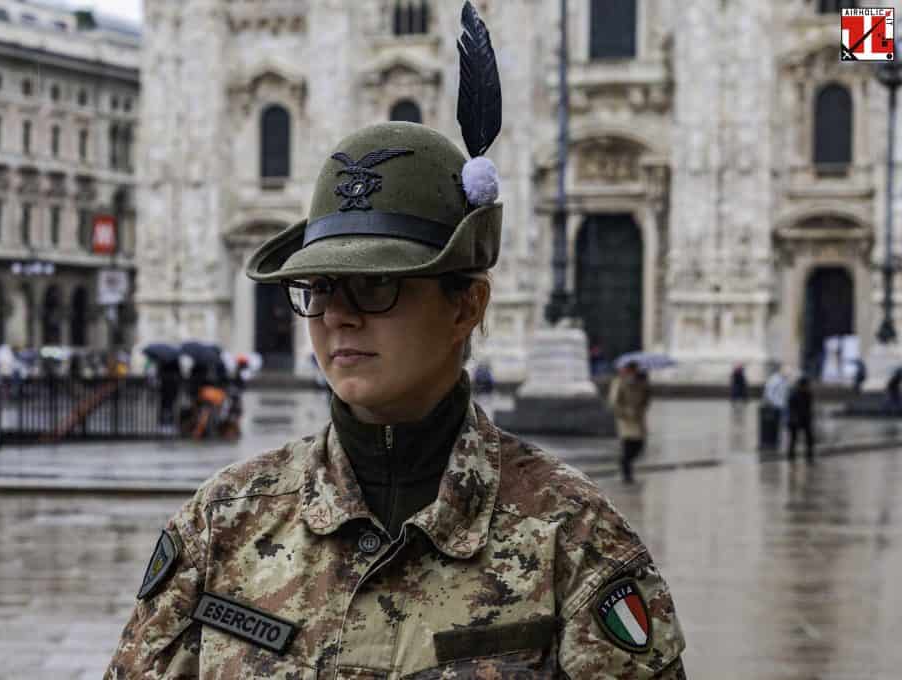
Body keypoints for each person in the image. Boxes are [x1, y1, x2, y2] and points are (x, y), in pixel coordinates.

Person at [105, 5, 685, 677]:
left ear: (466, 305)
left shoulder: (574, 541)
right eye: (320, 287)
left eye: (377, 285)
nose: (338, 317)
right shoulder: (221, 524)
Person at [608, 361, 651, 484]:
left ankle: (625, 465)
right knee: (628, 447)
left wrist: (645, 384)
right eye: (631, 369)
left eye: (635, 369)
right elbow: (614, 403)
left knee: (640, 446)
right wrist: (625, 413)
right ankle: (627, 475)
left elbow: (646, 399)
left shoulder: (641, 382)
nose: (633, 371)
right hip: (626, 421)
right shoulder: (619, 382)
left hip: (639, 419)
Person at [786, 376, 815, 463]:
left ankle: (809, 457)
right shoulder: (794, 395)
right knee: (793, 439)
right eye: (806, 385)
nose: (808, 387)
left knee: (809, 439)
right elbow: (791, 409)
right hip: (795, 420)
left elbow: (809, 407)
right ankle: (791, 456)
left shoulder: (808, 395)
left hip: (805, 419)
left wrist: (810, 417)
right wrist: (793, 419)